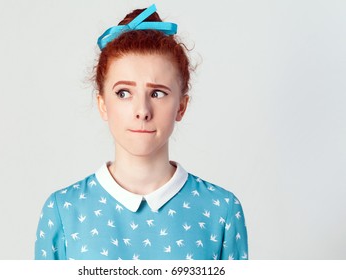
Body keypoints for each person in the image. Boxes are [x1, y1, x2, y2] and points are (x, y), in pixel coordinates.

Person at [35, 4, 248, 260]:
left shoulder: (221, 211)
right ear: (103, 104)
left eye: (157, 93)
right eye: (123, 93)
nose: (142, 111)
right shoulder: (63, 212)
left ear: (181, 106)